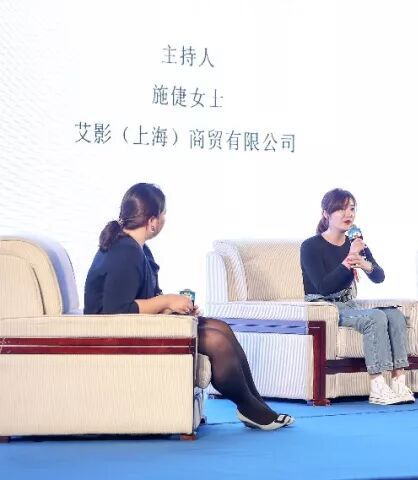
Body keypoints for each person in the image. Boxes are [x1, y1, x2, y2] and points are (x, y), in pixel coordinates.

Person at [84, 183, 292, 431]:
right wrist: (167, 301)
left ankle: (256, 406)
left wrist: (173, 308)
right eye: (163, 214)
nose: (164, 219)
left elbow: (140, 299)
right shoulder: (125, 251)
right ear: (153, 221)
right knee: (216, 341)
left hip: (137, 326)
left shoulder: (137, 248)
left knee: (221, 328)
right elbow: (117, 310)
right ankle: (250, 408)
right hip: (115, 336)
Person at [300, 188, 414, 405]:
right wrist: (349, 259)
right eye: (341, 209)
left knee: (395, 315)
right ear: (326, 214)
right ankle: (377, 386)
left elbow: (379, 276)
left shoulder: (356, 242)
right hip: (325, 307)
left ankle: (399, 382)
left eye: (351, 209)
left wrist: (363, 263)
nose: (348, 214)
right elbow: (324, 286)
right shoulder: (311, 246)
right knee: (375, 317)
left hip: (348, 304)